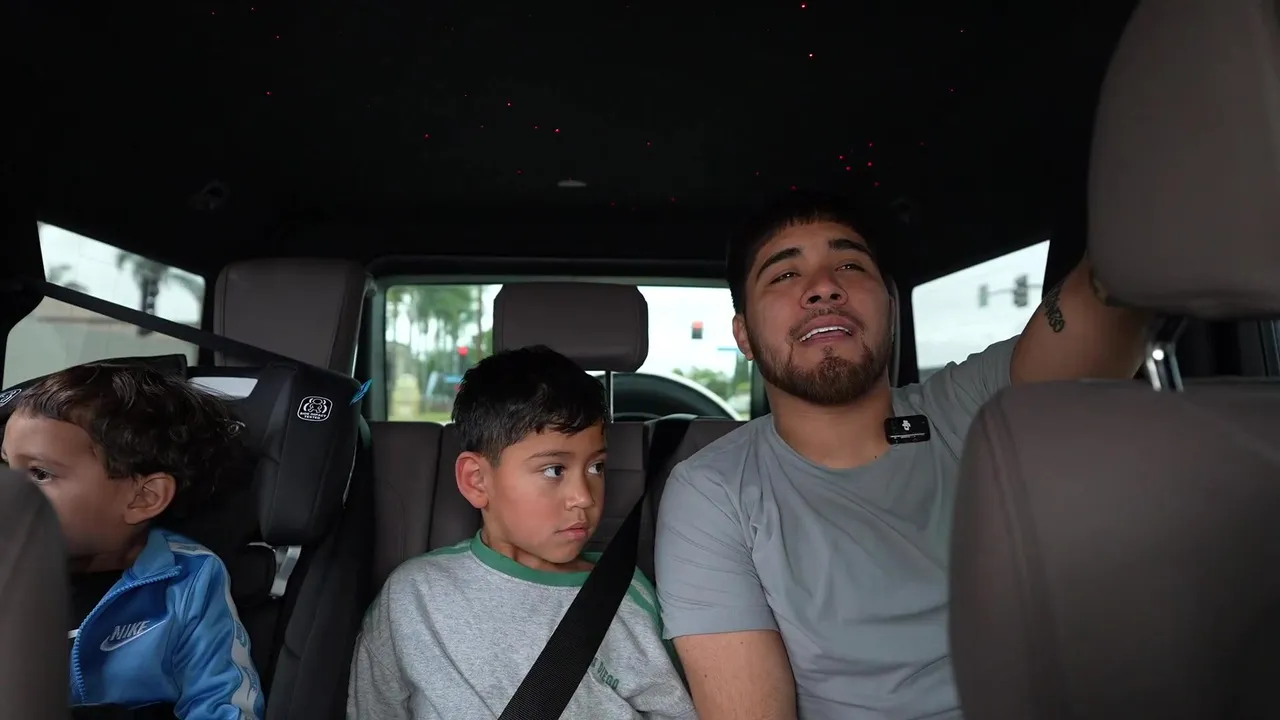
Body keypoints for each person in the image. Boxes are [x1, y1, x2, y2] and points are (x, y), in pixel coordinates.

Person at [654, 191, 1151, 720]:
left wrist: (1140, 235)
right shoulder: (714, 490)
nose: (824, 287)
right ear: (745, 336)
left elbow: (1087, 338)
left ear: (890, 308)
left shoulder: (969, 404)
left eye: (850, 265)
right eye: (785, 274)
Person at [347, 345, 696, 720]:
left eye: (596, 467)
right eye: (554, 470)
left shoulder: (628, 596)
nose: (584, 497)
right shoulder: (414, 596)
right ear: (477, 481)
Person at [0, 363, 264, 719]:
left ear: (143, 498)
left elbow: (222, 703)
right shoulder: (9, 566)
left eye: (40, 473)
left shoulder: (186, 582)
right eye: (6, 468)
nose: (10, 492)